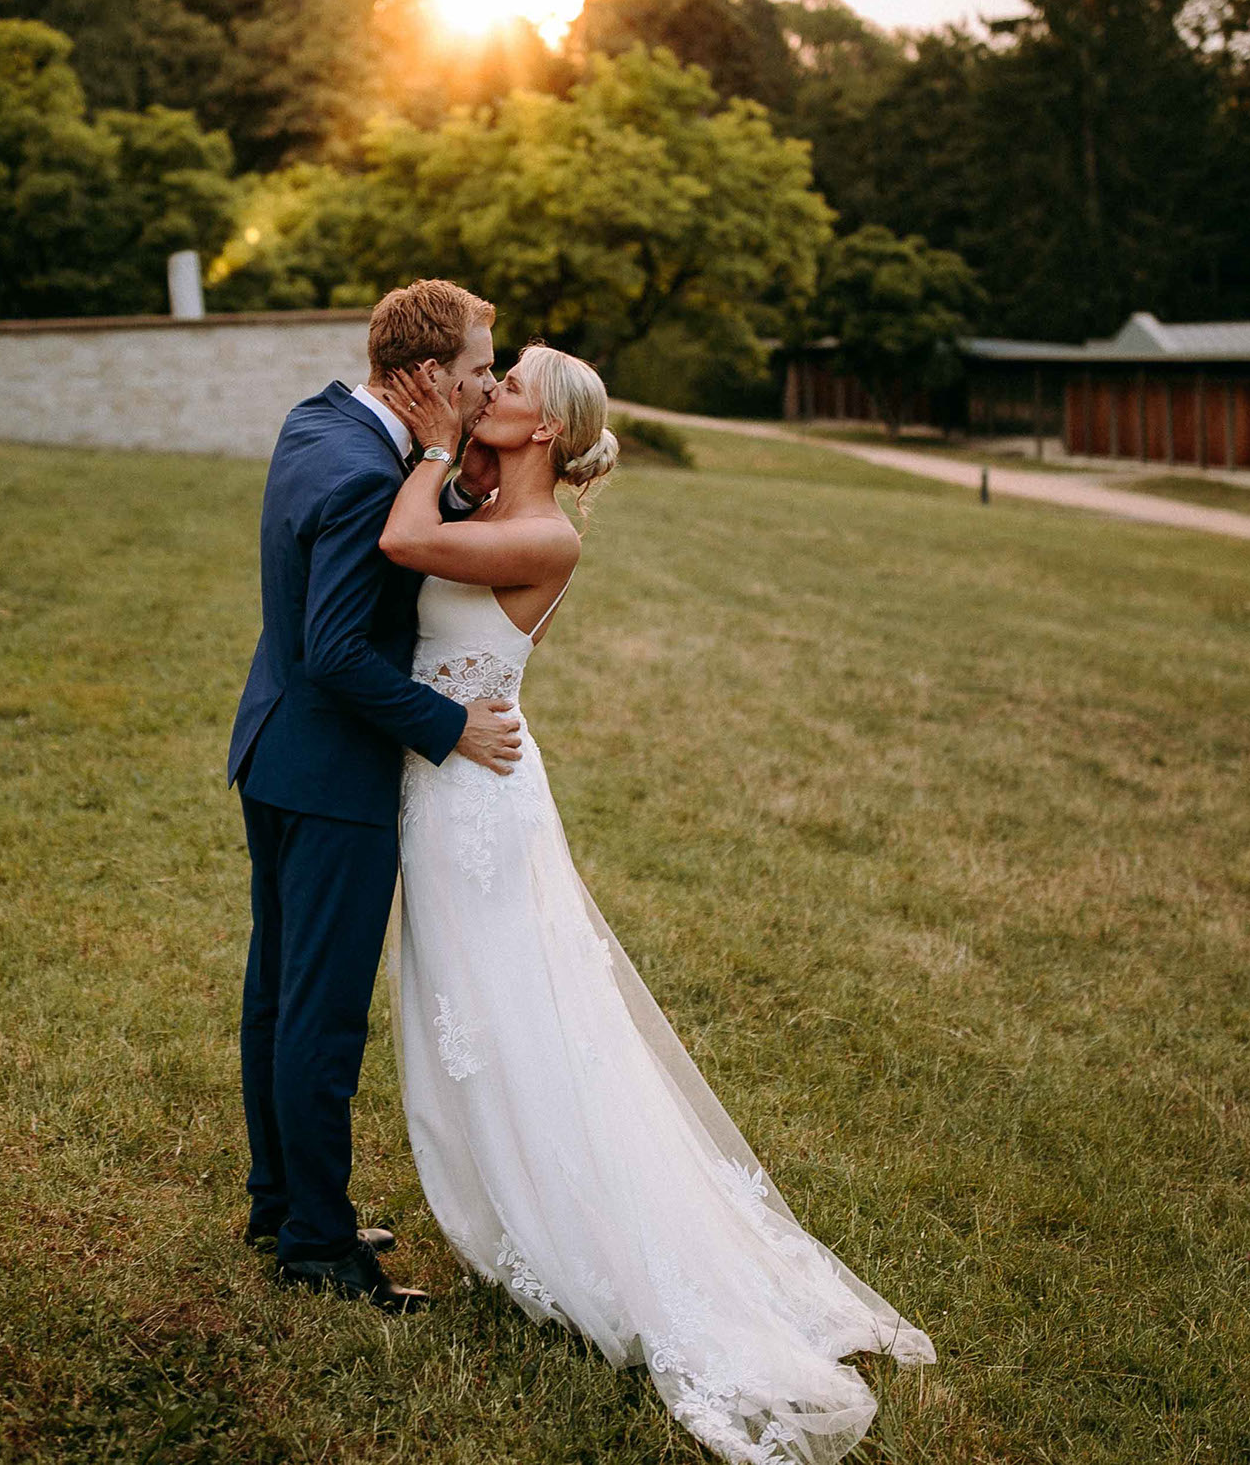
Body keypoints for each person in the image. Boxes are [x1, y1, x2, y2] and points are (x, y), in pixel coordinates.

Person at [373, 346, 935, 1465]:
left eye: (510, 384)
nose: (493, 391)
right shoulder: (488, 497)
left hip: (477, 805)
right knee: (474, 1012)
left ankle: (587, 1232)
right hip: (450, 786)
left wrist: (436, 438)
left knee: (514, 1017)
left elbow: (399, 545)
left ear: (544, 429)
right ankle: (516, 1198)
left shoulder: (546, 534)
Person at [226, 279, 526, 1316]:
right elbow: (340, 648)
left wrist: (447, 475)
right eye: (480, 368)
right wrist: (450, 728)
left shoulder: (318, 422)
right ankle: (316, 1239)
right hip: (334, 774)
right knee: (319, 1012)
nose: (489, 384)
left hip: (271, 751)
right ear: (429, 376)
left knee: (277, 991)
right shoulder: (364, 474)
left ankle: (280, 1196)